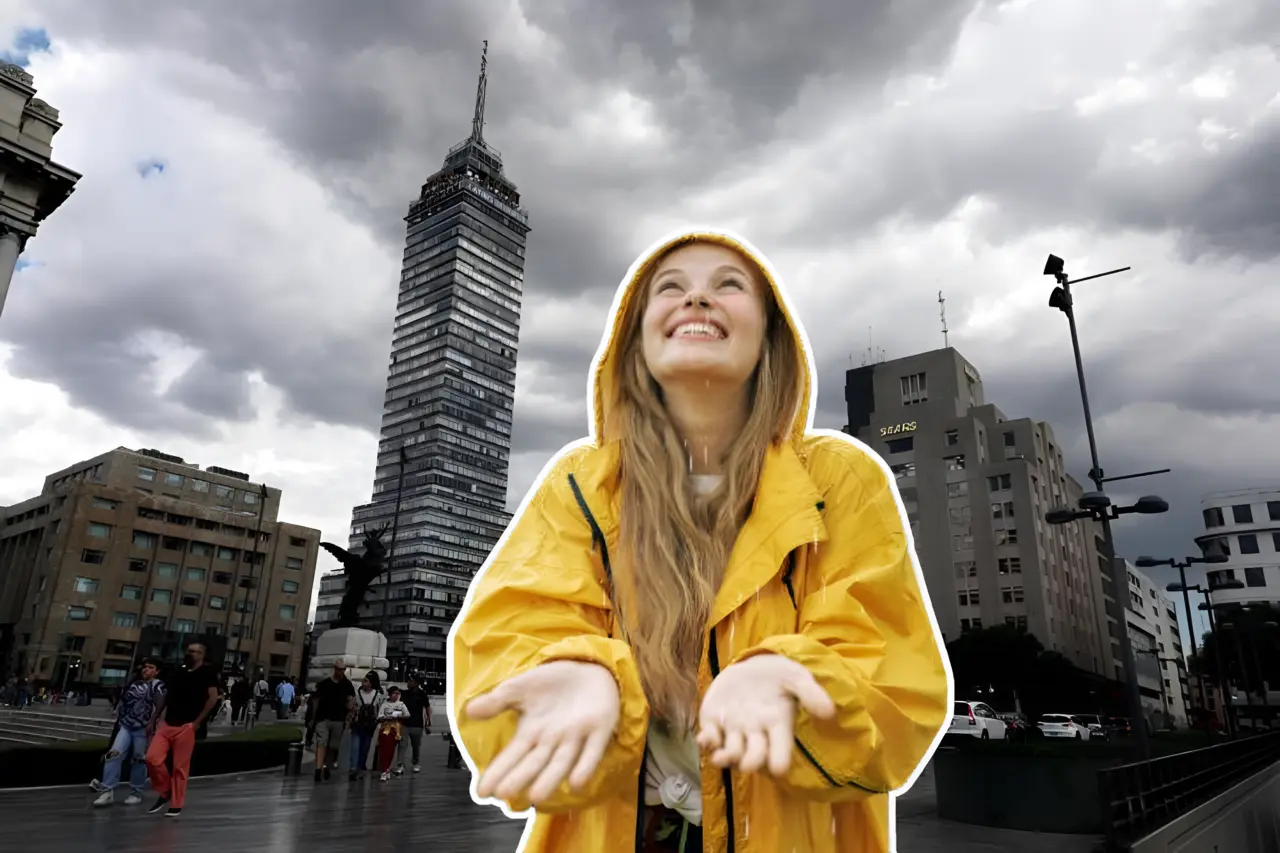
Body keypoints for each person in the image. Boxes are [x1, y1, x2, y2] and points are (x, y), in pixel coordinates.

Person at [451, 229, 951, 852]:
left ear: (771, 336)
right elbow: (506, 642)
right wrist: (576, 675)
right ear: (635, 339)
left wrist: (792, 680)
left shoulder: (840, 479)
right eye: (671, 287)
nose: (697, 299)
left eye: (728, 285)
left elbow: (896, 692)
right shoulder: (579, 486)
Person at [145, 643, 219, 817]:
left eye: (195, 652)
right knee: (152, 758)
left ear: (202, 655)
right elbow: (166, 696)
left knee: (180, 767)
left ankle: (176, 803)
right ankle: (165, 790)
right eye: (189, 651)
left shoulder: (208, 674)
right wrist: (155, 717)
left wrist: (197, 722)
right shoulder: (178, 672)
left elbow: (213, 698)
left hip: (187, 725)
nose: (190, 654)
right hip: (168, 723)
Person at [93, 658, 165, 807]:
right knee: (114, 754)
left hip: (143, 728)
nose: (146, 670)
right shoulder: (135, 684)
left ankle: (136, 792)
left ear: (157, 671)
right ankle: (107, 790)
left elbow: (160, 706)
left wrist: (152, 723)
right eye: (145, 667)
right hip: (126, 725)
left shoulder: (158, 686)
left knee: (139, 759)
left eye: (151, 667)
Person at [312, 661, 355, 782]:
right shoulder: (324, 684)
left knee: (333, 746)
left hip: (339, 719)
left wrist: (349, 716)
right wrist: (313, 719)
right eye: (339, 669)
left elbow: (351, 701)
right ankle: (318, 769)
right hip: (323, 717)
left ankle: (326, 765)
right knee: (322, 742)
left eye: (343, 669)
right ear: (334, 669)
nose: (341, 672)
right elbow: (316, 702)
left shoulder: (347, 685)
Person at [348, 673, 383, 781]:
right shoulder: (358, 693)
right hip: (358, 723)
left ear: (372, 682)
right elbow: (352, 707)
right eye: (364, 680)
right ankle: (354, 768)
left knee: (365, 747)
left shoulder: (378, 695)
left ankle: (360, 768)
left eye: (367, 681)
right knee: (355, 746)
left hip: (370, 725)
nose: (364, 683)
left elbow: (380, 710)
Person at [397, 673, 430, 774]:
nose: (409, 683)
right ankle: (400, 765)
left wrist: (428, 723)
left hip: (417, 725)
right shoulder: (404, 694)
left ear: (417, 683)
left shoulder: (422, 694)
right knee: (402, 745)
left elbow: (427, 708)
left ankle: (416, 763)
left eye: (411, 681)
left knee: (416, 746)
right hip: (405, 724)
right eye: (408, 681)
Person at [375, 685, 410, 782]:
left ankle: (387, 769)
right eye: (394, 693)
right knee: (384, 750)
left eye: (398, 694)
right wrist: (387, 717)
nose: (396, 695)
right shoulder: (385, 704)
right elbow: (379, 716)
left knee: (391, 750)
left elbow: (407, 715)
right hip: (386, 728)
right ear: (390, 694)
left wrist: (399, 715)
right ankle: (384, 770)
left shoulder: (401, 704)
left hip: (396, 729)